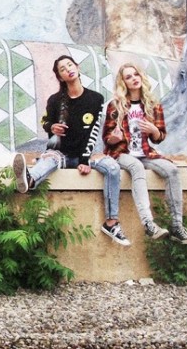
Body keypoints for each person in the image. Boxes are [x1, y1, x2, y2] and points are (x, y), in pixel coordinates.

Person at [13, 55, 129, 246]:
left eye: (70, 65)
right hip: (61, 153)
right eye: (62, 69)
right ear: (60, 77)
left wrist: (84, 160)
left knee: (112, 167)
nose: (68, 69)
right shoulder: (55, 100)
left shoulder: (95, 99)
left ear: (77, 67)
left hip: (87, 154)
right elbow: (45, 122)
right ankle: (30, 179)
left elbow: (93, 132)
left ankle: (111, 223)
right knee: (49, 159)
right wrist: (52, 127)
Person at [103, 63, 187, 245]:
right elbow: (107, 138)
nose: (134, 78)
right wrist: (115, 138)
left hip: (145, 152)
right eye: (128, 77)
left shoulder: (153, 105)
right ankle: (148, 224)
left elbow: (159, 137)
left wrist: (154, 130)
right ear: (123, 83)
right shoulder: (116, 105)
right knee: (136, 167)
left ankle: (177, 226)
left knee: (172, 170)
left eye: (136, 74)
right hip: (122, 152)